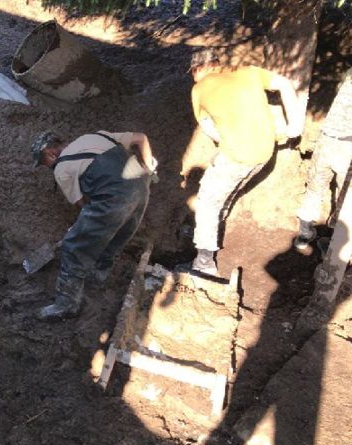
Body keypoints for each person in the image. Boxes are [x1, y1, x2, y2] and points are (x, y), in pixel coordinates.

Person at [186, 50, 304, 274]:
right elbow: (285, 84)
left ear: (199, 68)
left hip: (239, 155)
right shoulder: (249, 72)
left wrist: (225, 145)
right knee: (228, 185)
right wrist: (295, 127)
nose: (193, 76)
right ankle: (218, 218)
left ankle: (204, 264)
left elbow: (208, 126)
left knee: (208, 201)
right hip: (266, 151)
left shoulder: (199, 89)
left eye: (193, 71)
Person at [30, 130, 156, 321]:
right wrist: (148, 170)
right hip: (141, 189)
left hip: (114, 198)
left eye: (43, 163)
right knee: (114, 238)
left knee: (73, 248)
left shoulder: (61, 169)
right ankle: (98, 276)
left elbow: (82, 205)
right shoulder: (96, 136)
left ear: (49, 153)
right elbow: (142, 138)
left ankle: (67, 305)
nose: (45, 167)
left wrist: (82, 227)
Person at [294, 60, 352, 249]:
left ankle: (304, 236)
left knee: (315, 187)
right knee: (347, 196)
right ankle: (333, 242)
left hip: (327, 137)